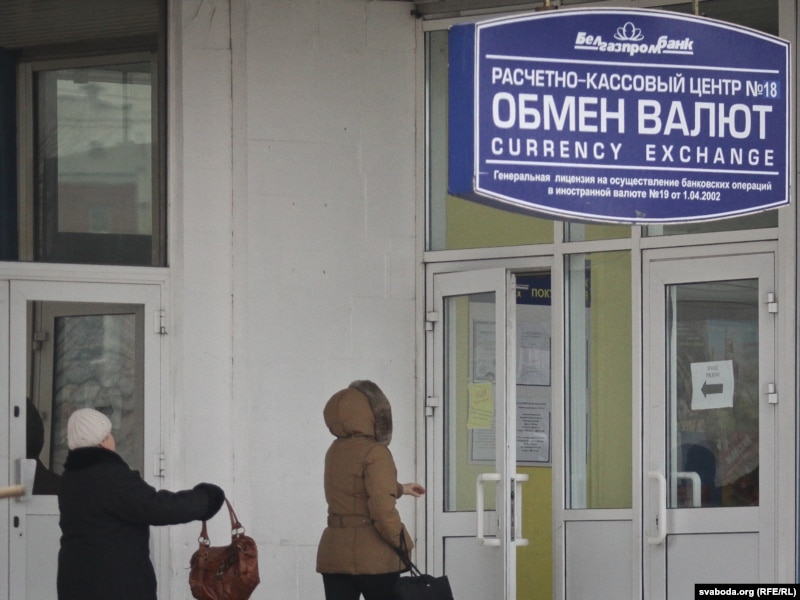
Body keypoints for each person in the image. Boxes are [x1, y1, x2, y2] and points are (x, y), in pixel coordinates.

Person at [56, 407, 226, 600]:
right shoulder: (111, 477)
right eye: (109, 433)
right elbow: (158, 508)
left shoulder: (69, 479)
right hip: (115, 585)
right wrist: (206, 500)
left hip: (74, 582)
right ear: (102, 440)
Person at [316, 380, 426, 600]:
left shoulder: (335, 451)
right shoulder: (375, 452)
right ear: (374, 415)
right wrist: (403, 542)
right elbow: (382, 510)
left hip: (334, 553)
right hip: (373, 557)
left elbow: (353, 489)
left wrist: (401, 488)